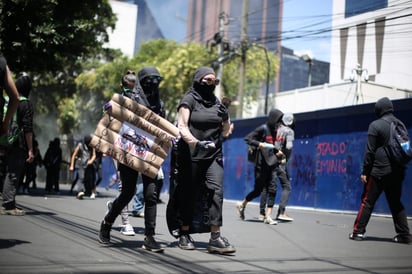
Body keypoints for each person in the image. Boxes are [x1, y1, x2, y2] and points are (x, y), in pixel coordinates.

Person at [98, 69, 164, 252]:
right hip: (128, 152)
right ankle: (107, 222)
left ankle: (150, 237)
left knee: (151, 194)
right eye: (149, 81)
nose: (153, 85)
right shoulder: (127, 101)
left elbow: (162, 127)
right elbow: (111, 120)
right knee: (128, 192)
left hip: (149, 154)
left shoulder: (159, 104)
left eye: (156, 81)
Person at [174, 66, 235, 254]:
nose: (212, 84)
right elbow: (182, 126)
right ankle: (184, 233)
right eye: (208, 80)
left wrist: (226, 121)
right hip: (191, 153)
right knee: (189, 193)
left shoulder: (217, 103)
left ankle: (215, 237)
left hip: (213, 155)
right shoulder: (189, 100)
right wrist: (195, 143)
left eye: (214, 81)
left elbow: (224, 131)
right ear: (199, 81)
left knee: (216, 191)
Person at [349, 97, 412, 244]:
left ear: (379, 110)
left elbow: (370, 152)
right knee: (396, 203)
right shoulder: (399, 123)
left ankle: (358, 232)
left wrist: (365, 171)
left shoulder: (375, 125)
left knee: (367, 201)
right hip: (398, 171)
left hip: (379, 171)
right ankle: (404, 235)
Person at [237, 108, 284, 225]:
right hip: (261, 165)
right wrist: (259, 144)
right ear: (273, 119)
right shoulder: (263, 129)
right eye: (278, 120)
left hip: (272, 163)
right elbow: (247, 138)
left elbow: (274, 146)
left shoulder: (277, 131)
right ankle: (242, 204)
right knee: (258, 191)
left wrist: (279, 153)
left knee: (273, 189)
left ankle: (268, 216)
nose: (279, 123)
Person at [1, 72, 34, 215]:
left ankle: (7, 201)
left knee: (5, 172)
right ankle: (8, 205)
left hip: (5, 140)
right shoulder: (25, 103)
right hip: (18, 142)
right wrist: (31, 149)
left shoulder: (10, 100)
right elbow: (27, 128)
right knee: (13, 173)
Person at [259, 112, 295, 222]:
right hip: (280, 163)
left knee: (267, 186)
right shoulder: (289, 131)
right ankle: (281, 212)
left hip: (270, 161)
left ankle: (262, 213)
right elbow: (289, 146)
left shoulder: (275, 129)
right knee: (287, 186)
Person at [69, 135, 96, 199]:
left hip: (88, 165)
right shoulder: (80, 145)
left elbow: (94, 155)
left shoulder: (92, 146)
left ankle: (86, 191)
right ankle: (80, 192)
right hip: (80, 164)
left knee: (87, 179)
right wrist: (72, 165)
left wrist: (91, 161)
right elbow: (74, 155)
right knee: (81, 177)